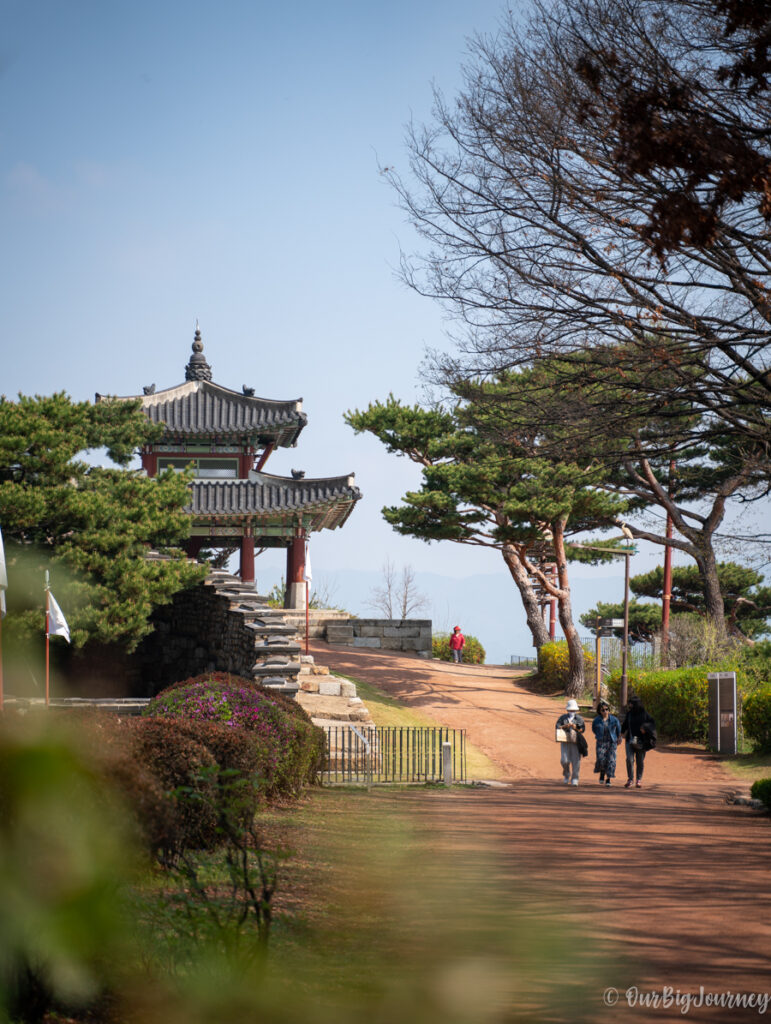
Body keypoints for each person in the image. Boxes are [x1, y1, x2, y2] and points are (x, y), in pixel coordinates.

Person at [620, 694, 656, 788]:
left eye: (631, 704)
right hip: (629, 740)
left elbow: (652, 723)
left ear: (636, 704)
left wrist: (645, 728)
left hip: (641, 742)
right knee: (629, 759)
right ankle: (630, 779)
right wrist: (620, 735)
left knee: (640, 761)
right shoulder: (629, 714)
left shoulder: (644, 714)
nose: (629, 705)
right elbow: (625, 725)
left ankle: (639, 779)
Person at [592, 698, 622, 787]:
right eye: (603, 710)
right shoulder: (597, 720)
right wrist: (599, 735)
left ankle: (608, 779)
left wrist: (619, 738)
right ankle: (602, 774)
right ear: (599, 711)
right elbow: (594, 729)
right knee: (601, 760)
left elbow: (619, 731)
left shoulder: (614, 719)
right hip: (601, 742)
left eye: (606, 709)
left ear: (609, 710)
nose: (605, 711)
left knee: (611, 760)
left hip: (612, 742)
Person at [556, 698, 585, 786]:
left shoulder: (579, 719)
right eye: (570, 709)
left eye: (573, 709)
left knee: (576, 761)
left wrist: (575, 727)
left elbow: (582, 729)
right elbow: (557, 727)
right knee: (564, 760)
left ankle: (575, 778)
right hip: (565, 741)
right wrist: (565, 726)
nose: (572, 711)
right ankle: (566, 774)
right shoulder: (562, 718)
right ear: (567, 709)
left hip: (576, 742)